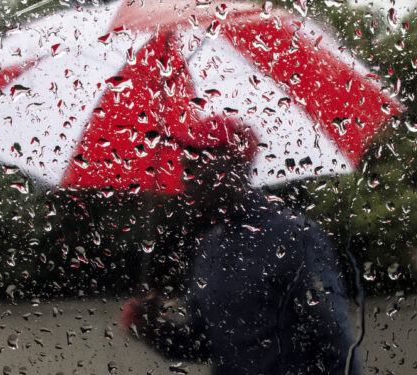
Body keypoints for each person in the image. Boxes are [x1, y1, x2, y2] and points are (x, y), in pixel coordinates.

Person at [122, 147, 360, 374]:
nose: (187, 182)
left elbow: (334, 339)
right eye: (186, 170)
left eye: (195, 169)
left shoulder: (294, 236)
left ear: (231, 167)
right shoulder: (211, 246)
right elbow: (207, 344)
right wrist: (152, 330)